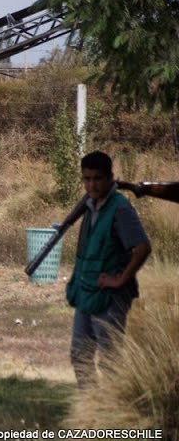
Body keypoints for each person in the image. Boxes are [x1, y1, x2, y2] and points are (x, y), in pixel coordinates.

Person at [65, 150, 151, 388]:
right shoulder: (90, 205)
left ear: (111, 177)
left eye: (98, 178)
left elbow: (142, 247)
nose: (91, 184)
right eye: (87, 179)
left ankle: (115, 412)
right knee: (79, 355)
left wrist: (120, 279)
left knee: (110, 360)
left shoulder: (120, 208)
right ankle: (92, 410)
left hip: (111, 297)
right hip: (86, 291)